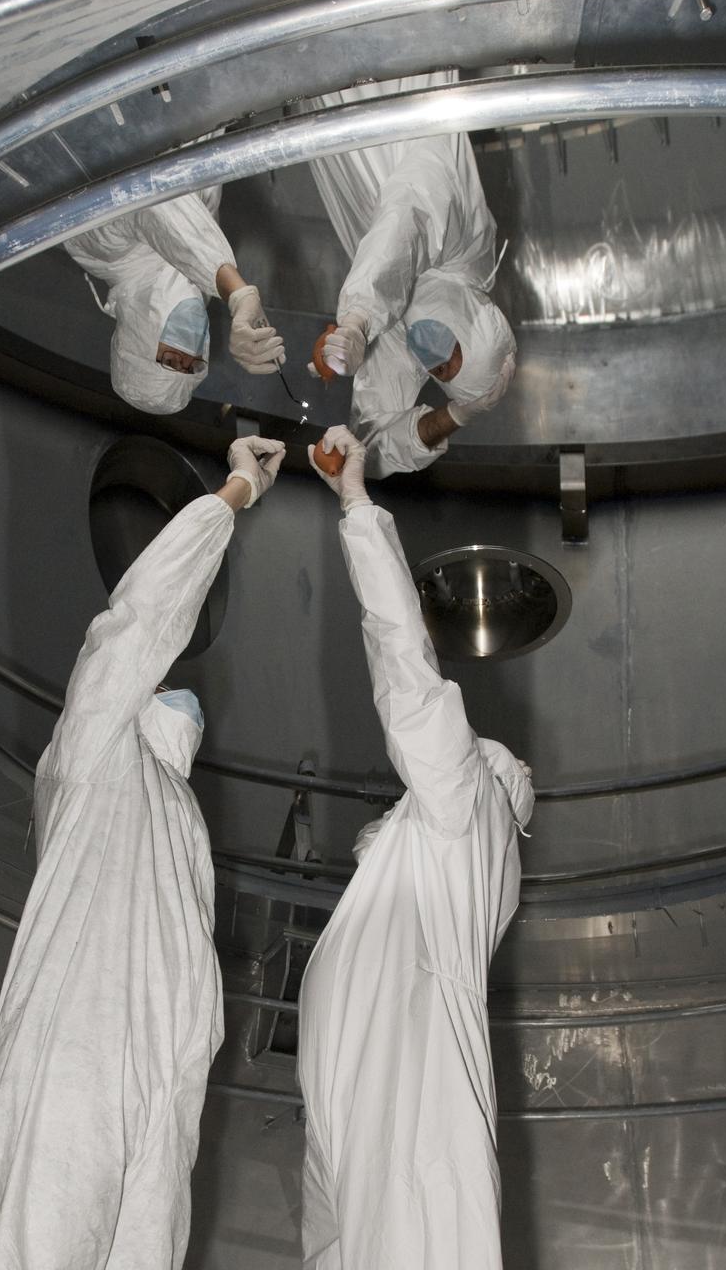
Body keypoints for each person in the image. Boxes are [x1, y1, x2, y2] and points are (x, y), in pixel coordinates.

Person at [0, 434, 287, 1270]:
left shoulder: (174, 815)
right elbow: (138, 621)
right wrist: (233, 495)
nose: (174, 686)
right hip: (72, 1053)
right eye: (158, 682)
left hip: (161, 1084)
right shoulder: (89, 760)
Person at [299, 425, 533, 1269]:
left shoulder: (461, 805)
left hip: (413, 1093)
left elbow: (405, 662)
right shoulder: (415, 864)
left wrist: (358, 506)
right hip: (358, 1089)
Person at [305, 74, 516, 478]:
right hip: (394, 77)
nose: (434, 358)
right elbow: (408, 215)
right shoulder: (469, 250)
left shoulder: (400, 325)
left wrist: (456, 415)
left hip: (327, 93)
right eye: (452, 354)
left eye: (439, 372)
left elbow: (373, 445)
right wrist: (359, 318)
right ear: (472, 325)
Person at [64, 187, 285, 414]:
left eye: (172, 356)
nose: (189, 341)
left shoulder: (97, 247)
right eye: (193, 360)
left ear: (139, 339)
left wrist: (237, 292)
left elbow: (153, 194)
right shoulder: (191, 287)